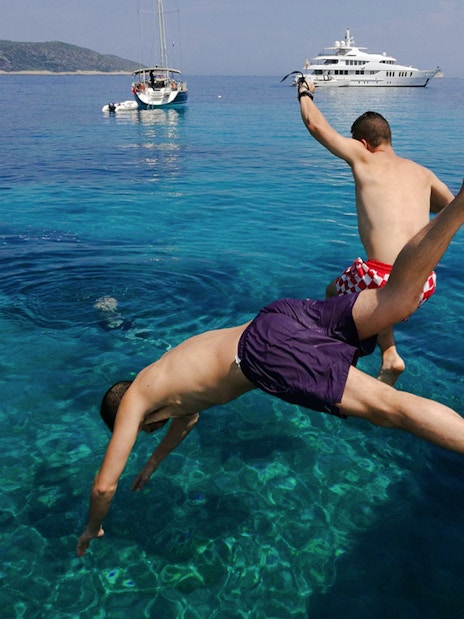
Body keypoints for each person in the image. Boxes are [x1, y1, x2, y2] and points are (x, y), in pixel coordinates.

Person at [77, 182, 464, 557]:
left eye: (136, 430)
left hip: (263, 351)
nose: (144, 430)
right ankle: (459, 204)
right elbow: (186, 420)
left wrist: (92, 526)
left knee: (386, 408)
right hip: (278, 318)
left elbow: (103, 487)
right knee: (399, 296)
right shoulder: (164, 381)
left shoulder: (136, 400)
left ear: (126, 415)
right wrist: (154, 462)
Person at [297, 80, 454, 385]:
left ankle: (339, 360)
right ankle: (387, 354)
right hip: (426, 281)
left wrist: (305, 93)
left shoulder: (364, 158)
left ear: (364, 144)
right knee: (382, 290)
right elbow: (452, 210)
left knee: (334, 292)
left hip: (382, 277)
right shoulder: (422, 172)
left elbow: (316, 125)